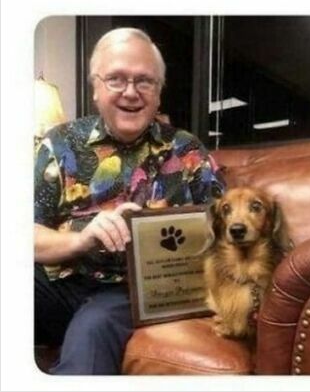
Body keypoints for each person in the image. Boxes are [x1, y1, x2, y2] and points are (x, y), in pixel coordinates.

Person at [34, 28, 225, 374]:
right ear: (95, 87)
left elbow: (225, 228)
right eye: (116, 79)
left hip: (128, 292)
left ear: (158, 93)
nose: (131, 92)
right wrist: (82, 238)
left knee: (93, 329)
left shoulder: (187, 150)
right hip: (57, 282)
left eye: (144, 81)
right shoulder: (58, 144)